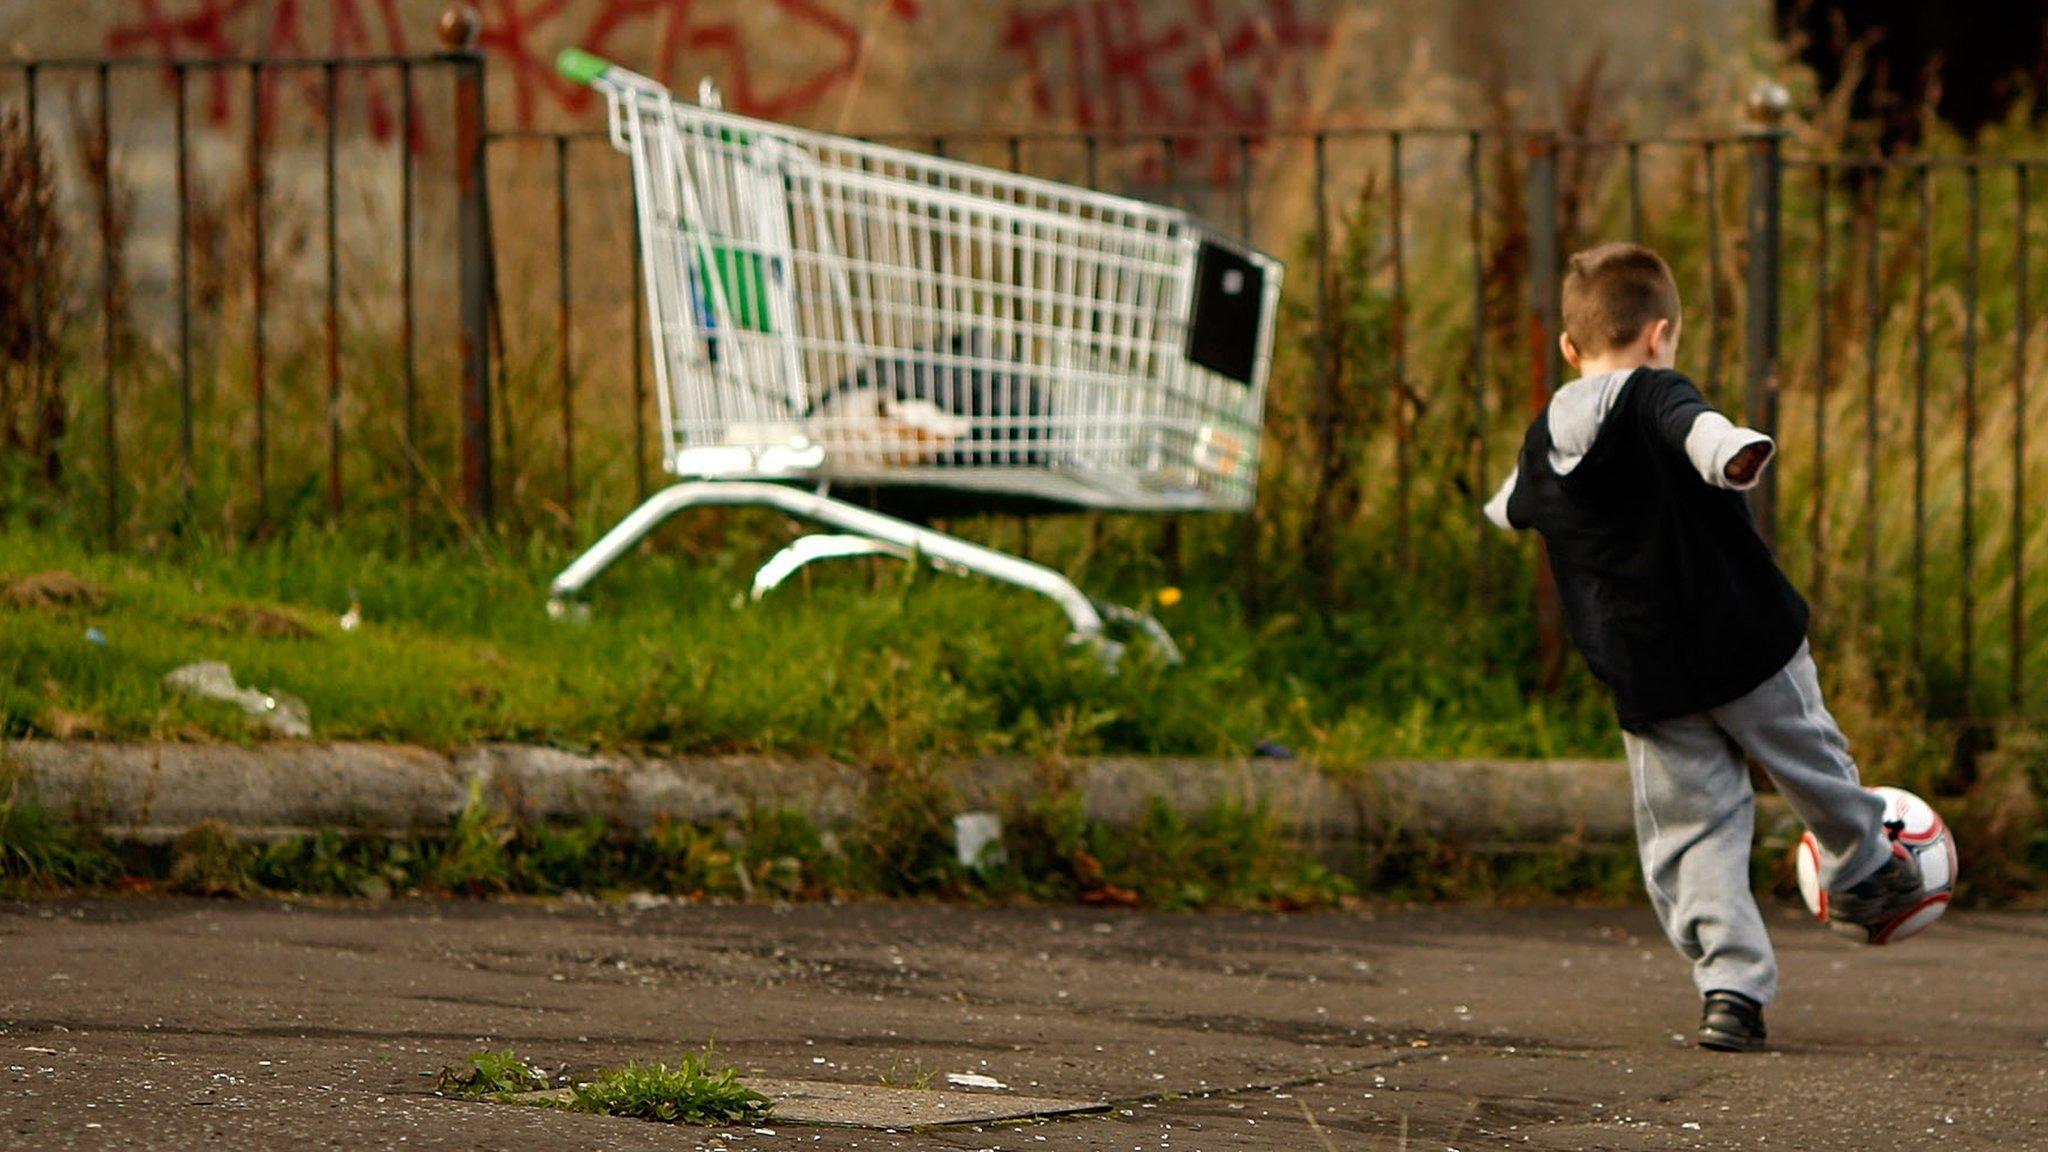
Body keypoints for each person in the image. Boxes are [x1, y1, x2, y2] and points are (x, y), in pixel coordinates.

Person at [1482, 242, 1923, 1053]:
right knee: (1809, 761)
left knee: (1695, 832)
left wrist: (1508, 510)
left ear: (1570, 350)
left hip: (1648, 674)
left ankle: (1731, 992)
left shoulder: (1545, 432)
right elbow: (1700, 431)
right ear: (1660, 334)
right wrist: (1735, 452)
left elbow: (1516, 503)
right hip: (1744, 642)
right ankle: (1863, 867)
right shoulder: (1657, 393)